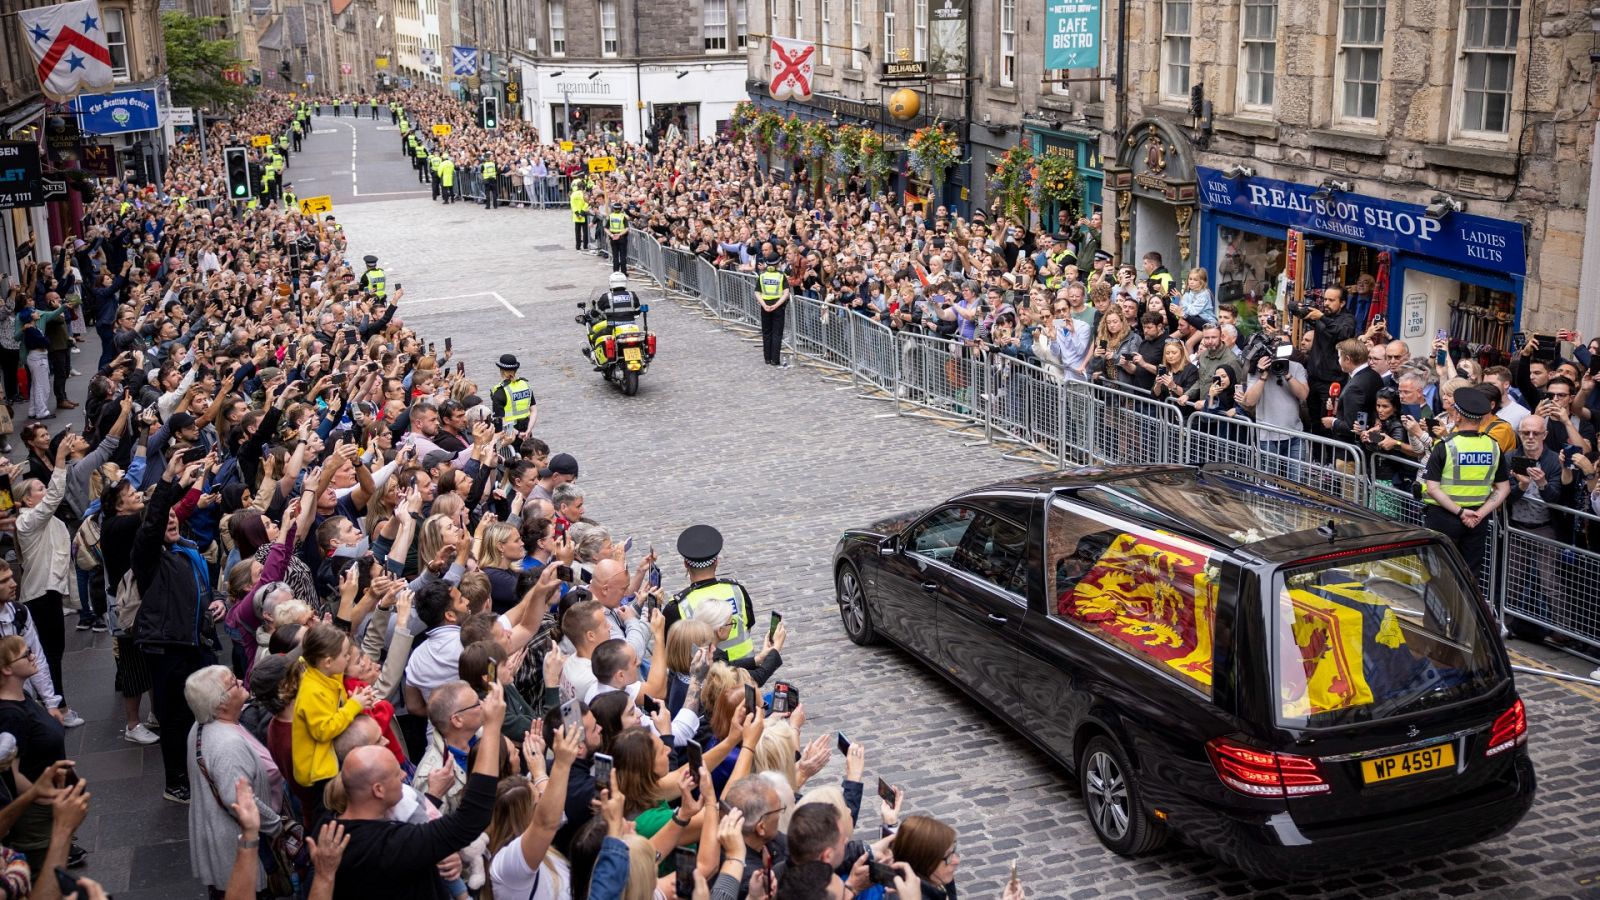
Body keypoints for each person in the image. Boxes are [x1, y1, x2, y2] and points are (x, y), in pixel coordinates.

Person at [332, 684, 508, 900]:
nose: (404, 776)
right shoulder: (390, 845)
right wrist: (492, 728)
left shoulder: (333, 833)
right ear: (378, 790)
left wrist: (433, 803)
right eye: (396, 775)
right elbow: (469, 820)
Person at [133, 453, 223, 805]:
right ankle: (176, 782)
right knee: (174, 718)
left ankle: (202, 768)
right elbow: (155, 518)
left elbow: (203, 588)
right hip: (167, 648)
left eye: (174, 516)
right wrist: (169, 479)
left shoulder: (187, 549)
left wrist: (217, 601)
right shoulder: (148, 557)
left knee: (204, 711)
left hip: (195, 643)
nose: (170, 520)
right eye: (164, 518)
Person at [184, 664, 285, 898]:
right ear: (221, 703)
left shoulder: (199, 727)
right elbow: (238, 800)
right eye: (233, 683)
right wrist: (276, 824)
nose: (240, 681)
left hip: (220, 838)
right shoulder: (228, 745)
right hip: (238, 844)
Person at [1422, 386, 1512, 580]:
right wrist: (1479, 514)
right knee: (1469, 576)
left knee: (1437, 575)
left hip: (1444, 517)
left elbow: (1432, 488)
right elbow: (1503, 488)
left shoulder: (1445, 446)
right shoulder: (1493, 446)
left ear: (1457, 417)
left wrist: (1461, 512)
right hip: (1477, 520)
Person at [664, 525, 757, 661]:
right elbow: (748, 626)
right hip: (747, 669)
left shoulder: (677, 607)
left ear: (686, 564)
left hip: (705, 673)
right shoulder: (737, 590)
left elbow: (670, 651)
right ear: (716, 562)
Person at [890, 815, 960, 899]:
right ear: (924, 862)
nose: (956, 861)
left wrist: (891, 824)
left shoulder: (937, 878)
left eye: (953, 851)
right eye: (948, 857)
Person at [490, 354, 537, 434]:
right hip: (526, 431)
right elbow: (534, 411)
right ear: (516, 370)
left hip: (509, 434)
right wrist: (529, 430)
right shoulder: (525, 385)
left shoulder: (500, 391)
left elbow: (500, 421)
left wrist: (518, 434)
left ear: (501, 371)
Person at [757, 259, 788, 367]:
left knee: (766, 333)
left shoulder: (762, 275)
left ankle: (767, 358)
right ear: (778, 264)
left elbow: (757, 292)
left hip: (765, 306)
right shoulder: (781, 276)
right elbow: (786, 293)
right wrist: (776, 305)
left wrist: (764, 305)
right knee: (777, 333)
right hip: (778, 307)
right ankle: (775, 360)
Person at [606, 202, 629, 274]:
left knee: (615, 255)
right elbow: (627, 228)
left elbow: (606, 228)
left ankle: (615, 271)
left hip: (613, 237)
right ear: (621, 209)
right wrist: (619, 235)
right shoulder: (623, 216)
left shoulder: (611, 216)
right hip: (622, 237)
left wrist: (611, 235)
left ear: (613, 209)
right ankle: (623, 272)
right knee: (623, 256)